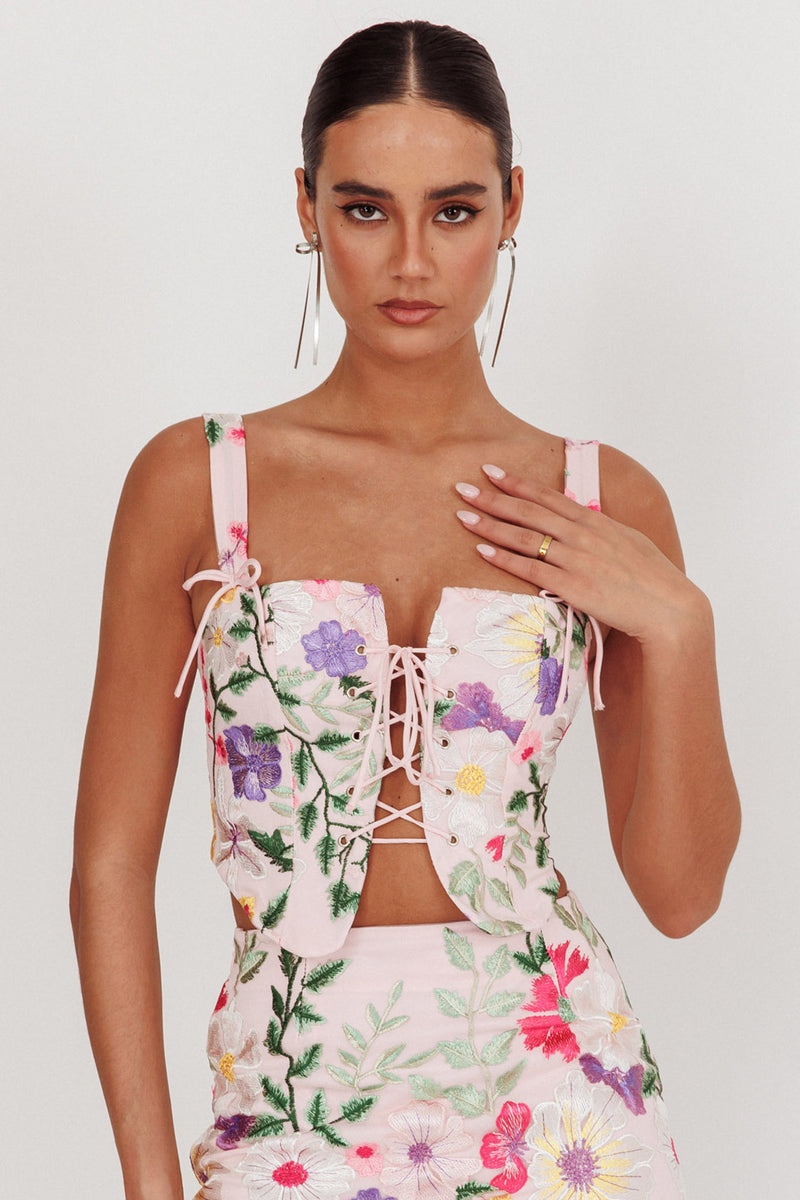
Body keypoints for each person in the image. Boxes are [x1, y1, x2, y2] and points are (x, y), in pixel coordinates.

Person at [70, 19, 741, 1200]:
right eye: (366, 209)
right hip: (287, 1095)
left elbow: (680, 899)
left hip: (564, 1107)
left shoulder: (600, 501)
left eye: (455, 210)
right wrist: (148, 1183)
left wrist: (681, 630)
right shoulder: (199, 482)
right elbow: (110, 867)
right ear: (306, 204)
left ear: (511, 206)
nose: (412, 263)